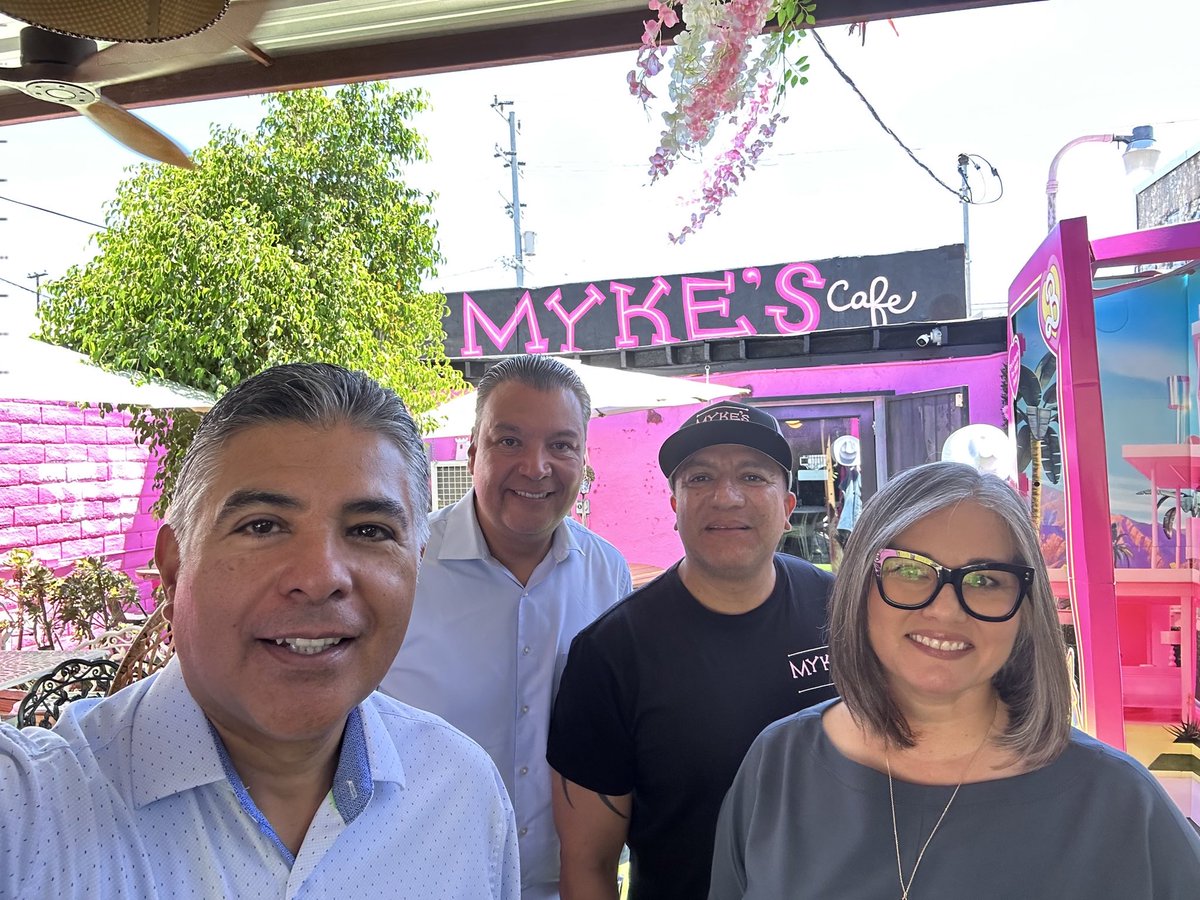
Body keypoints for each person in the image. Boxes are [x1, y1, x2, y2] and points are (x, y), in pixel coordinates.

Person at [0, 363, 519, 899]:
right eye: (262, 526)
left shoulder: (462, 795)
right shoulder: (31, 818)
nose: (319, 579)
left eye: (369, 531)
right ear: (175, 571)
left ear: (416, 565)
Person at [710, 460, 1200, 899]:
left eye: (985, 579)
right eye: (910, 570)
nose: (944, 607)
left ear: (1023, 612)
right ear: (860, 585)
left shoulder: (1119, 804)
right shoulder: (778, 764)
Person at [547, 401, 837, 900]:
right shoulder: (610, 655)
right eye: (699, 479)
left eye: (752, 476)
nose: (726, 497)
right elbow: (587, 865)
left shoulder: (843, 613)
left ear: (788, 507)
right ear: (674, 505)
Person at [382, 354, 632, 900]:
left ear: (584, 458)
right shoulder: (401, 565)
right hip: (417, 876)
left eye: (562, 445)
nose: (537, 467)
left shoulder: (607, 572)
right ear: (473, 450)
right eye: (510, 441)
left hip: (562, 880)